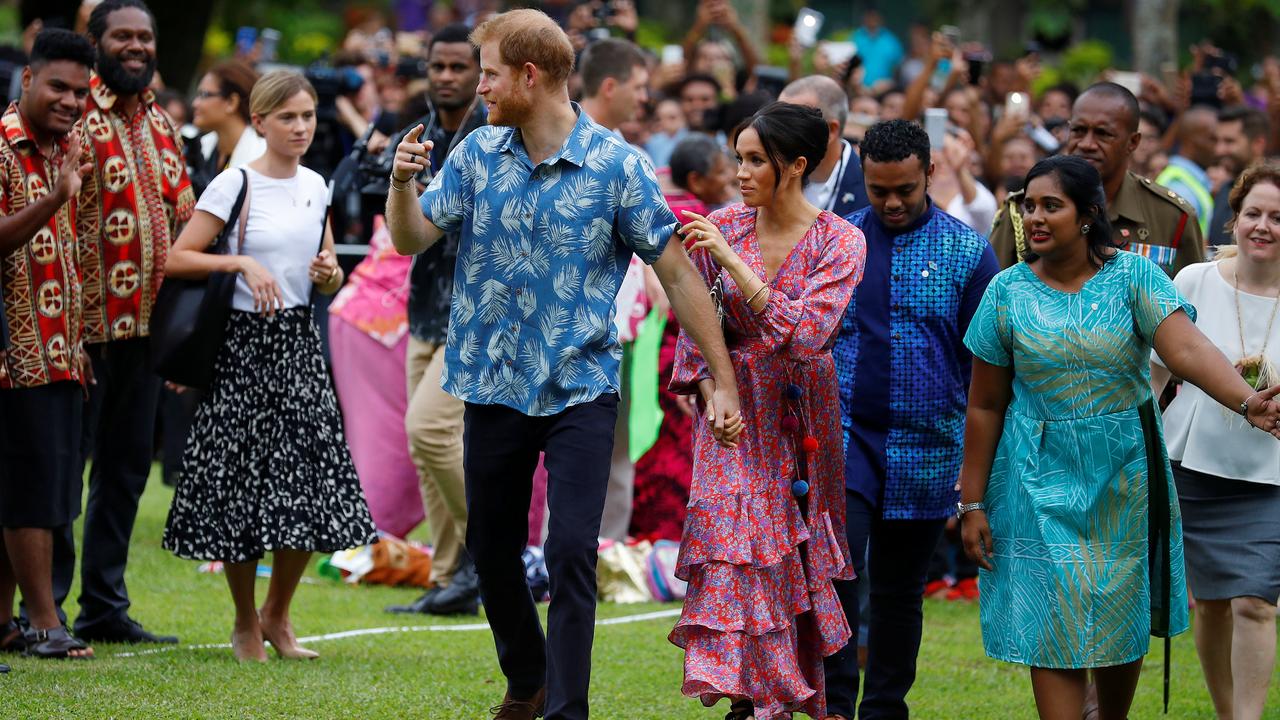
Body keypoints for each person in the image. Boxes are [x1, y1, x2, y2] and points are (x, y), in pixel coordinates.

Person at [385, 10, 740, 719]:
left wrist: (722, 378)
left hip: (581, 386)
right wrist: (400, 183)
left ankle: (563, 711)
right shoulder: (477, 153)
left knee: (573, 551)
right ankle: (527, 677)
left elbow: (676, 275)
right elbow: (410, 238)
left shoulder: (617, 165)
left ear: (530, 74)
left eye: (487, 71)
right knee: (491, 551)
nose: (478, 85)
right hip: (490, 385)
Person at [959, 154, 1280, 720]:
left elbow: (1187, 350)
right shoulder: (1005, 292)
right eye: (1028, 205)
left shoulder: (1133, 278)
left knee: (1116, 611)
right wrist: (973, 501)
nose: (1034, 217)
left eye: (1050, 206)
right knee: (1054, 618)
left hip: (1123, 476)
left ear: (1087, 216)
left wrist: (1248, 401)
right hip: (1036, 478)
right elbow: (985, 405)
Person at [161, 70, 378, 663]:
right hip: (241, 349)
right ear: (259, 122)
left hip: (298, 345)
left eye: (308, 116)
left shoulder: (316, 184)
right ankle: (242, 622)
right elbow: (178, 258)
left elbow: (325, 262)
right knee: (241, 486)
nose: (301, 127)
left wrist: (329, 275)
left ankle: (277, 615)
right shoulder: (234, 184)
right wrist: (237, 264)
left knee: (311, 483)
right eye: (287, 117)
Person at [669, 101, 864, 720]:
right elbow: (695, 339)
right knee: (735, 548)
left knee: (790, 556)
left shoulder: (841, 240)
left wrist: (731, 260)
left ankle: (784, 697)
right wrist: (713, 395)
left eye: (757, 160)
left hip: (801, 417)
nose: (742, 173)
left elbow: (806, 337)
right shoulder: (719, 224)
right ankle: (747, 699)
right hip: (730, 416)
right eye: (739, 158)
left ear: (797, 165)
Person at [825, 119, 1000, 720]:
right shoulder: (838, 240)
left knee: (900, 591)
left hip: (927, 448)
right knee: (838, 571)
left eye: (905, 189)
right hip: (845, 439)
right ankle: (834, 703)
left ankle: (884, 708)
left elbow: (990, 363)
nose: (893, 203)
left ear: (929, 173)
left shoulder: (968, 251)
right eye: (879, 191)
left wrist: (975, 470)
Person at [60, 0, 193, 645]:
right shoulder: (70, 113)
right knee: (65, 471)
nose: (137, 46)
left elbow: (183, 218)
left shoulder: (161, 122)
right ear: (95, 43)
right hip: (80, 333)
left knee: (126, 472)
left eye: (146, 35)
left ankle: (104, 605)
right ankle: (44, 608)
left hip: (146, 334)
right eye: (123, 36)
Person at [1150, 162, 1280, 720]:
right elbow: (1157, 370)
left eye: (1278, 217)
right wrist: (1142, 438)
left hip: (1269, 476)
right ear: (1235, 219)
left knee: (1255, 602)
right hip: (1193, 466)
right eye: (1254, 213)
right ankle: (1227, 712)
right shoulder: (1193, 280)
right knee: (1211, 606)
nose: (1263, 226)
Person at [384, 22, 488, 619]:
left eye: (459, 68)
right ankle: (451, 577)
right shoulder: (412, 132)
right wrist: (390, 172)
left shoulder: (496, 135)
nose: (447, 77)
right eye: (438, 67)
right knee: (424, 448)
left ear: (481, 73)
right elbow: (373, 195)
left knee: (429, 430)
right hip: (423, 304)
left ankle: (492, 550)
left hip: (473, 315)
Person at [0, 27, 97, 661]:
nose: (70, 100)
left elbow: (66, 253)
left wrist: (79, 337)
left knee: (45, 484)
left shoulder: (63, 145)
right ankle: (43, 621)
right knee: (29, 488)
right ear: (28, 78)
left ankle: (4, 621)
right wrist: (55, 196)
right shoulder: (2, 147)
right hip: (13, 350)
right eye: (57, 86)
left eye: (81, 92)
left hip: (58, 346)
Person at [990, 83, 1204, 276]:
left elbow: (1192, 305)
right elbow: (993, 297)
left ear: (1133, 142)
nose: (1087, 144)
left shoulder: (1170, 216)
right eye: (1078, 131)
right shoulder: (1023, 211)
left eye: (1103, 134)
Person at [578, 36, 651, 542]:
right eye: (639, 87)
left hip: (620, 330)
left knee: (618, 447)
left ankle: (611, 554)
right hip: (569, 328)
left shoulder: (632, 156)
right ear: (611, 85)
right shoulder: (556, 148)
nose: (645, 98)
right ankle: (557, 554)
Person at [779, 75, 870, 217]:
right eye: (775, 121)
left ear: (830, 131)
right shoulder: (770, 177)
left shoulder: (871, 187)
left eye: (792, 124)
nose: (777, 133)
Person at [186, 59, 265, 198]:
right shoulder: (203, 146)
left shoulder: (261, 157)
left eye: (204, 95)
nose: (195, 103)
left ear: (231, 102)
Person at [1207, 105, 1269, 247]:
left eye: (1229, 141)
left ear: (1258, 144)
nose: (1219, 150)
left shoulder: (1276, 193)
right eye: (1216, 141)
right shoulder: (1224, 190)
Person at [1156, 105, 1218, 237]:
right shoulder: (1179, 187)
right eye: (1213, 139)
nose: (1219, 147)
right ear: (1190, 141)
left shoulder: (1192, 180)